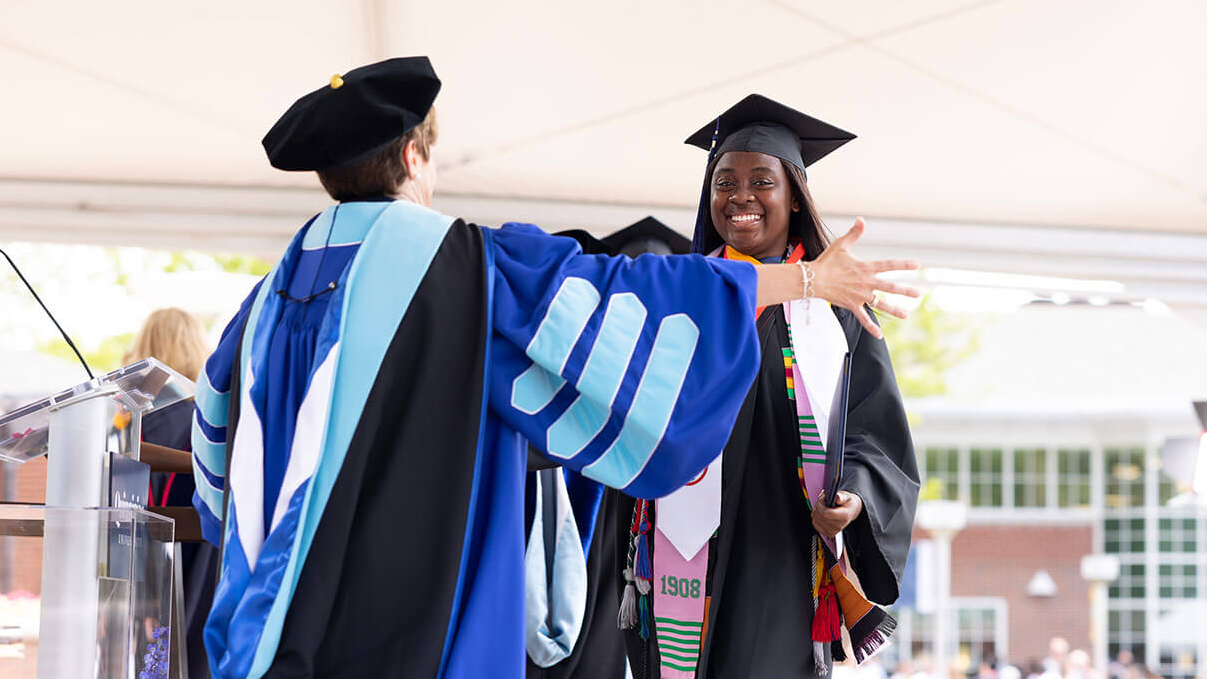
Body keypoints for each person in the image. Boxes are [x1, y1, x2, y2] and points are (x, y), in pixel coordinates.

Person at [189, 59, 920, 679]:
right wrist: (807, 282)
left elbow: (215, 459)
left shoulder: (266, 298)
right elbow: (623, 301)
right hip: (413, 602)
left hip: (274, 606)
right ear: (414, 156)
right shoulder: (463, 263)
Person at [614, 95, 920, 678]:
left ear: (794, 195)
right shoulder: (682, 296)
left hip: (781, 551)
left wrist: (854, 498)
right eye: (724, 181)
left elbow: (876, 437)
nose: (741, 197)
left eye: (762, 180)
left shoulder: (839, 314)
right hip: (680, 547)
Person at [121, 307, 216, 679]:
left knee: (151, 660)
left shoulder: (128, 415)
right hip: (197, 552)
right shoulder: (208, 417)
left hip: (136, 557)